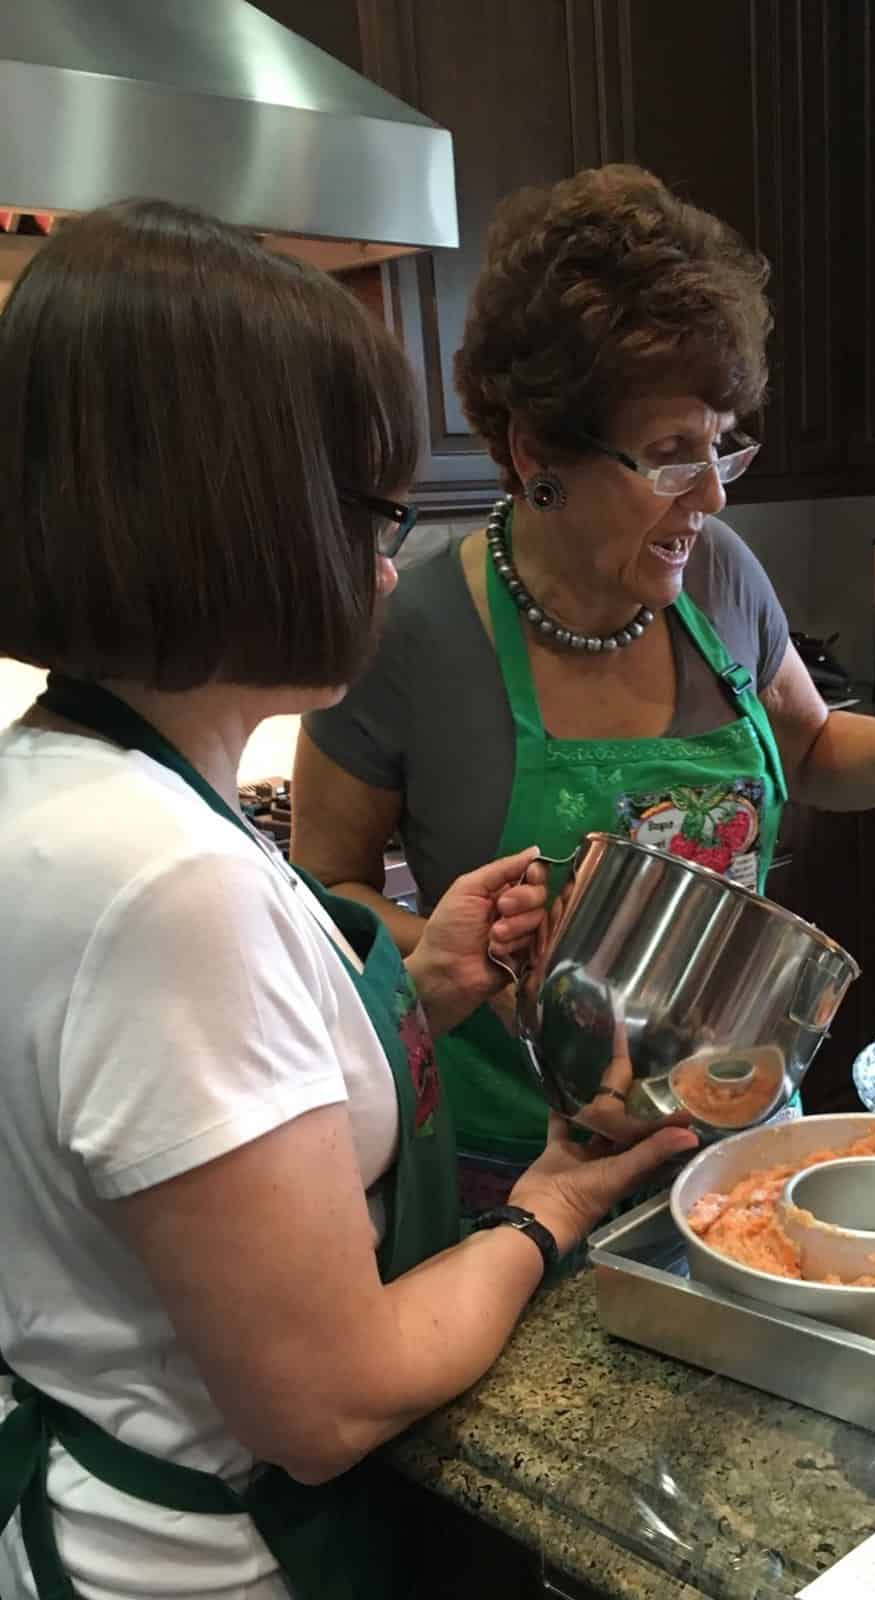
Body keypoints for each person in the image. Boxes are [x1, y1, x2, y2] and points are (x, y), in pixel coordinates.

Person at [0, 199, 698, 1600]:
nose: (389, 561)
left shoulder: (67, 781)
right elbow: (325, 1399)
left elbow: (191, 1113)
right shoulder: (165, 886)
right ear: (230, 518)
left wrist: (420, 987)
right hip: (212, 1555)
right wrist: (555, 1204)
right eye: (370, 510)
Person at [291, 164, 875, 1208]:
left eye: (721, 445)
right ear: (535, 452)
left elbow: (813, 749)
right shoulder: (411, 632)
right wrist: (484, 961)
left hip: (731, 1151)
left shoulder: (720, 572)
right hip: (506, 1171)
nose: (709, 493)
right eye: (666, 456)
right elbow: (324, 896)